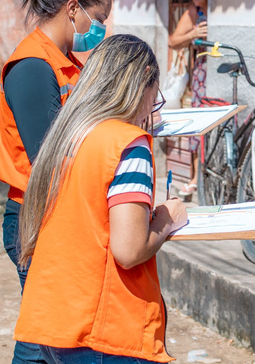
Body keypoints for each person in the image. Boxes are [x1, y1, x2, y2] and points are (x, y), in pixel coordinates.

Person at [14, 34, 187, 363]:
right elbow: (129, 250)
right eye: (155, 96)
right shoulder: (129, 144)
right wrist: (168, 218)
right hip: (106, 330)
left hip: (55, 320)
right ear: (143, 83)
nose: (153, 106)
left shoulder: (67, 135)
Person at [0, 0, 110, 364]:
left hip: (55, 214)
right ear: (73, 9)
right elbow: (49, 156)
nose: (101, 28)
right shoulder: (32, 67)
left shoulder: (64, 62)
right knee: (49, 336)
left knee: (42, 336)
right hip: (37, 217)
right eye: (99, 18)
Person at [167, 0, 208, 197]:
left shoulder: (219, 10)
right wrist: (193, 33)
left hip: (219, 72)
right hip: (201, 75)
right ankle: (194, 177)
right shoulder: (194, 13)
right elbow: (173, 41)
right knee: (198, 124)